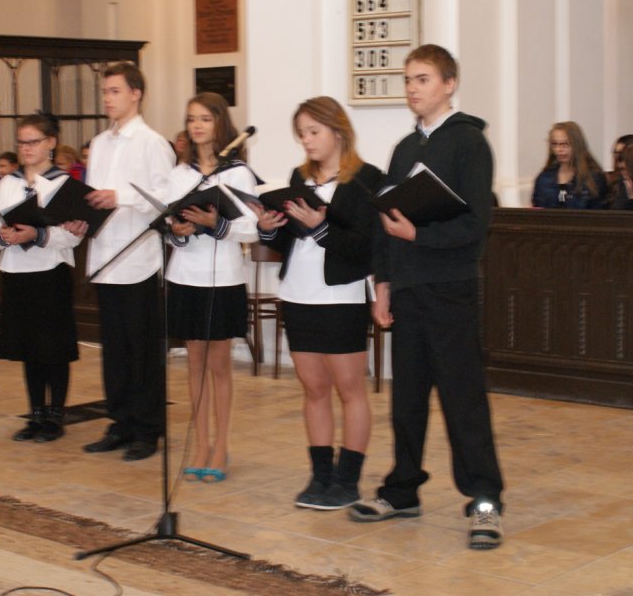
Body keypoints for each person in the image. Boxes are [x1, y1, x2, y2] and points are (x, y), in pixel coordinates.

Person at [353, 44, 505, 551]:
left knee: (463, 400)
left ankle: (485, 500)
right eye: (408, 79)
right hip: (408, 288)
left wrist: (420, 235)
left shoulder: (469, 143)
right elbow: (386, 221)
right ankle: (402, 490)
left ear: (449, 84)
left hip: (450, 286)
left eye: (422, 79)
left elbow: (476, 224)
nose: (412, 88)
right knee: (408, 398)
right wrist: (382, 284)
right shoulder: (403, 149)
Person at [251, 96, 383, 510]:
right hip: (298, 292)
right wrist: (268, 228)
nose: (306, 141)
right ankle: (320, 475)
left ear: (337, 131)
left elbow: (366, 247)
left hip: (341, 294)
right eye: (301, 134)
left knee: (350, 389)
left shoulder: (367, 180)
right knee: (313, 389)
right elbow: (286, 240)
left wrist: (322, 228)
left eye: (313, 132)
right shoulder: (299, 178)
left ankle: (348, 479)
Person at [83, 62, 175, 461]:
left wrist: (120, 197)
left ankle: (147, 429)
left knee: (143, 350)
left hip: (138, 259)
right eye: (105, 92)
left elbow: (167, 200)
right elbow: (92, 195)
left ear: (136, 94)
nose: (107, 99)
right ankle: (119, 422)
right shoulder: (100, 143)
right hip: (105, 257)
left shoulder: (153, 143)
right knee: (115, 350)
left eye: (115, 91)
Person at [165, 92, 258, 483]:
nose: (197, 126)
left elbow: (251, 228)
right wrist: (178, 229)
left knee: (219, 366)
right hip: (185, 275)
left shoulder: (237, 173)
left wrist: (214, 224)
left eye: (205, 118)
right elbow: (169, 228)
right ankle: (200, 443)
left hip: (223, 277)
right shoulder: (179, 174)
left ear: (220, 122)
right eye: (191, 119)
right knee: (195, 365)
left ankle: (221, 445)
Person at [0, 115, 87, 443]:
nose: (26, 148)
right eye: (22, 143)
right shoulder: (9, 182)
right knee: (28, 348)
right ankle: (36, 413)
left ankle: (55, 415)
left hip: (50, 272)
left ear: (51, 142)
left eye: (33, 142)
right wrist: (2, 235)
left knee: (52, 348)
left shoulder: (63, 183)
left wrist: (37, 234)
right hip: (16, 272)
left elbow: (72, 236)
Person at [531, 121, 607, 209]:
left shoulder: (594, 178)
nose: (559, 149)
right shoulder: (544, 178)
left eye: (566, 144)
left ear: (577, 145)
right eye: (555, 144)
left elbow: (600, 212)